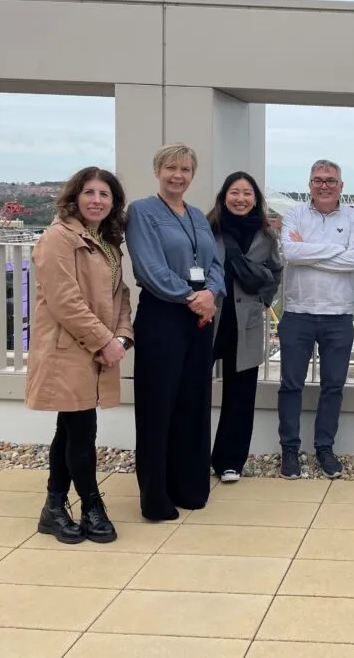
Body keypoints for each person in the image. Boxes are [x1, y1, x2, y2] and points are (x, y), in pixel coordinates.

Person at [26, 167, 132, 544]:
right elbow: (63, 299)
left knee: (69, 428)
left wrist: (122, 335)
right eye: (90, 192)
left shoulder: (106, 241)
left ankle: (54, 508)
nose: (97, 200)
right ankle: (91, 505)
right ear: (75, 196)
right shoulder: (58, 237)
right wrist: (104, 341)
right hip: (66, 351)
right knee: (82, 430)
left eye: (105, 194)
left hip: (94, 349)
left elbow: (120, 296)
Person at [126, 143, 224, 521]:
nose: (178, 175)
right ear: (158, 170)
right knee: (158, 406)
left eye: (185, 169)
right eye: (171, 168)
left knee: (192, 403)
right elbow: (150, 268)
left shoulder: (198, 215)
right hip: (163, 317)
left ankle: (189, 486)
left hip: (199, 319)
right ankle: (156, 496)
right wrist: (190, 296)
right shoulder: (143, 212)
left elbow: (214, 264)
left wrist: (210, 294)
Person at [277, 159, 354, 480]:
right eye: (318, 180)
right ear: (309, 184)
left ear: (341, 185)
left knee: (333, 387)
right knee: (290, 386)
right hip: (297, 314)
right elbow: (290, 253)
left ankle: (324, 448)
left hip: (338, 317)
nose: (324, 185)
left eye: (330, 180)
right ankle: (289, 450)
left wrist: (309, 250)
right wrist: (333, 250)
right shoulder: (294, 215)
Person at [207, 171, 282, 483]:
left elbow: (276, 270)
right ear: (224, 196)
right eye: (234, 192)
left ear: (256, 199)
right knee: (195, 392)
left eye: (247, 193)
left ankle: (230, 461)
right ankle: (193, 454)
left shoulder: (266, 236)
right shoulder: (208, 229)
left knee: (240, 396)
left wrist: (265, 300)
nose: (240, 199)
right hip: (208, 320)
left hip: (246, 323)